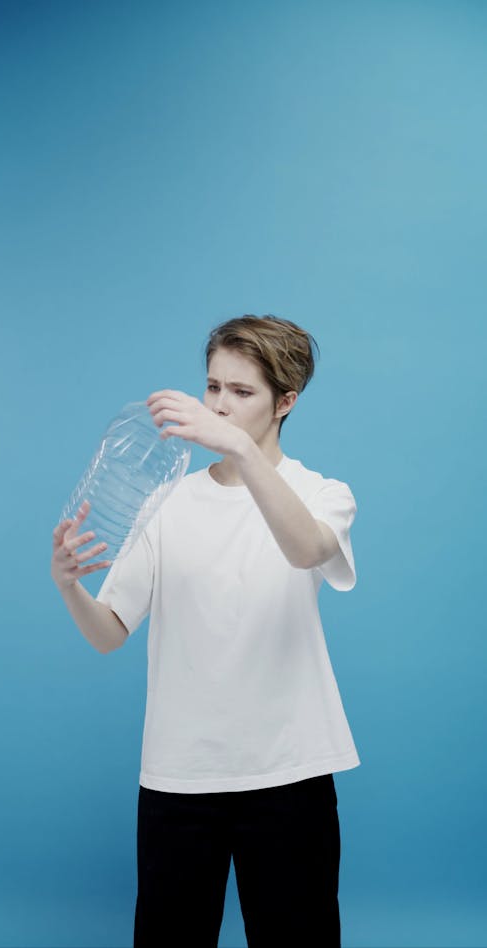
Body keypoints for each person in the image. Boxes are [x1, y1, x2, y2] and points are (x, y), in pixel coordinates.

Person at [51, 314, 360, 948]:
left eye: (242, 392)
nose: (219, 405)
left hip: (290, 771)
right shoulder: (165, 502)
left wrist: (241, 452)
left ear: (286, 402)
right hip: (180, 776)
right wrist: (68, 584)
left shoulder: (322, 493)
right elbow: (109, 632)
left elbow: (306, 550)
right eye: (213, 386)